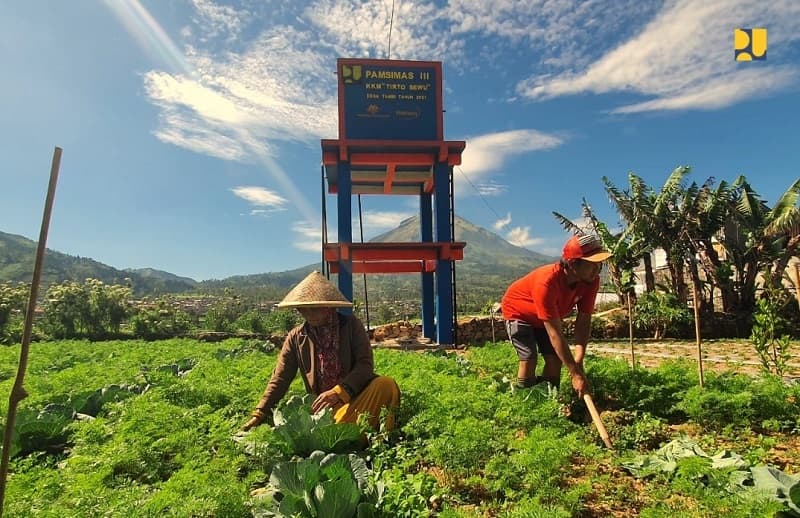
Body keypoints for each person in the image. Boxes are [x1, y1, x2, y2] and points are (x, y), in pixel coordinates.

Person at [242, 271, 400, 432]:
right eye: (303, 310)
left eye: (315, 309)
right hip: (323, 412)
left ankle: (368, 435)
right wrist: (260, 412)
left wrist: (339, 392)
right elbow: (280, 379)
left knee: (386, 384)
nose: (309, 315)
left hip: (355, 399)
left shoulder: (351, 326)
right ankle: (347, 433)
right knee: (334, 427)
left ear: (328, 307)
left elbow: (364, 365)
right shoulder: (296, 337)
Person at [501, 234, 611, 398]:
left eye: (599, 265)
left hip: (546, 318)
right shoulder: (547, 282)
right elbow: (555, 334)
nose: (597, 270)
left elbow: (583, 321)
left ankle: (549, 401)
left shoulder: (590, 281)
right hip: (519, 313)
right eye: (592, 264)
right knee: (529, 358)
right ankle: (524, 402)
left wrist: (578, 361)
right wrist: (575, 373)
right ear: (573, 264)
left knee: (555, 360)